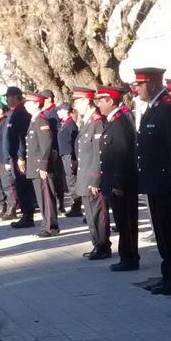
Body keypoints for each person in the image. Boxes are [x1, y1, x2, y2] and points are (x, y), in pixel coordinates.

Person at [135, 66, 171, 292]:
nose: (137, 89)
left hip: (166, 184)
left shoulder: (169, 109)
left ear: (153, 84)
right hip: (154, 182)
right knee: (161, 231)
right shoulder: (154, 108)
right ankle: (167, 274)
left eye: (140, 84)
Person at [97, 85, 139, 271]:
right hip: (115, 182)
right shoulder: (114, 121)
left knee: (126, 221)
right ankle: (126, 255)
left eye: (101, 100)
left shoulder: (120, 122)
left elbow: (122, 154)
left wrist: (118, 183)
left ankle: (129, 257)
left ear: (110, 101)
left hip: (121, 183)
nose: (98, 104)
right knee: (122, 221)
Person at [73, 87, 110, 259]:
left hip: (93, 176)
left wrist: (96, 179)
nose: (75, 106)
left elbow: (99, 153)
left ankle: (103, 246)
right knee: (90, 213)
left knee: (98, 213)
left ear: (87, 101)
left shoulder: (97, 122)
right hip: (85, 174)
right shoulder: (87, 122)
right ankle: (96, 243)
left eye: (77, 102)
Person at [24, 92, 60, 237]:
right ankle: (46, 224)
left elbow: (46, 145)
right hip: (35, 165)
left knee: (46, 197)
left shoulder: (41, 120)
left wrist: (43, 166)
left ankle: (51, 227)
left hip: (41, 166)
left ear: (35, 104)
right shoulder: (34, 120)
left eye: (28, 103)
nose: (25, 105)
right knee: (41, 197)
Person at [2, 86, 34, 229]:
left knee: (23, 186)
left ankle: (28, 216)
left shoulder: (21, 113)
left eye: (8, 97)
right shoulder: (14, 113)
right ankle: (25, 214)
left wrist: (21, 156)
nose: (7, 100)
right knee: (20, 186)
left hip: (19, 157)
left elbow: (22, 137)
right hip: (14, 156)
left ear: (15, 97)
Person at [57, 102, 81, 216]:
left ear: (66, 111)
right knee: (69, 180)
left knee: (72, 181)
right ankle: (74, 204)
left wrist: (74, 159)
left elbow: (74, 142)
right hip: (64, 155)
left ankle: (76, 207)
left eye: (60, 110)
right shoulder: (63, 123)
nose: (58, 112)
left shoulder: (70, 124)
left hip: (69, 155)